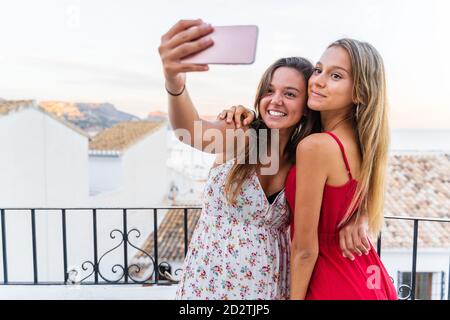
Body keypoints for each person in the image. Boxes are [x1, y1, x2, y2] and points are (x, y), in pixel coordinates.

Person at [159, 19, 370, 299]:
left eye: (290, 94)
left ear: (307, 106)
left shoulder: (306, 157)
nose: (276, 100)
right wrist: (175, 82)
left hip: (271, 286)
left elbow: (347, 185)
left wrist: (360, 214)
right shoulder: (244, 135)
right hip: (211, 281)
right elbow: (191, 132)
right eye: (269, 91)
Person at [222, 39, 398, 299]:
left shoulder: (316, 146)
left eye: (336, 75)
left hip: (333, 281)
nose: (318, 81)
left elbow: (304, 249)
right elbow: (348, 196)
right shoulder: (364, 145)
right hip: (368, 277)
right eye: (318, 70)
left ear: (360, 92)